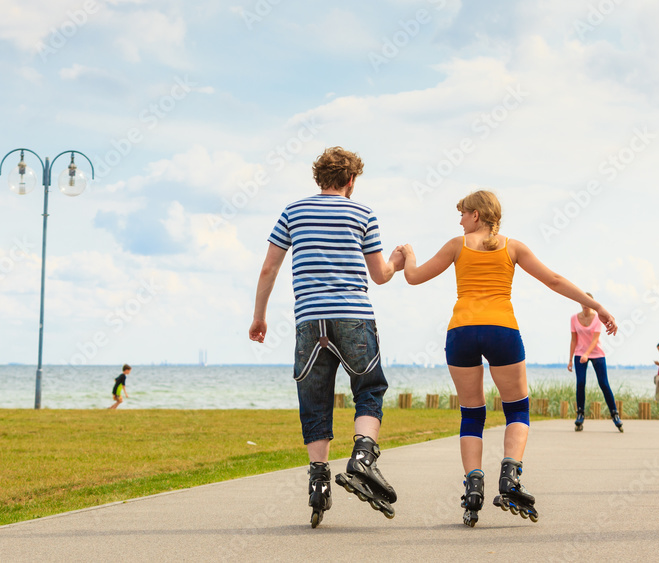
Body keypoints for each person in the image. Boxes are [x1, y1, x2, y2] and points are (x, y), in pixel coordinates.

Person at [398, 189, 617, 527]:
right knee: (517, 409)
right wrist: (597, 306)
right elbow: (554, 280)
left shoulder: (456, 245)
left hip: (461, 332)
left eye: (462, 213)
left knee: (472, 414)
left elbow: (413, 277)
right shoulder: (513, 247)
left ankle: (473, 488)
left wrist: (409, 255)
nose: (459, 220)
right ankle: (510, 477)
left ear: (476, 215)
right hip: (501, 330)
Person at [249, 146, 404, 528]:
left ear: (319, 177)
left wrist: (259, 317)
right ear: (351, 179)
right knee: (369, 389)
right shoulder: (363, 213)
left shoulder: (292, 212)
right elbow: (380, 275)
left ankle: (318, 483)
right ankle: (363, 458)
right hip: (354, 318)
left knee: (314, 401)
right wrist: (398, 261)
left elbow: (269, 268)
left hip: (309, 321)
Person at [568, 293, 622, 432]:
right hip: (580, 354)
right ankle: (580, 414)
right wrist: (570, 359)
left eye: (587, 301)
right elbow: (573, 340)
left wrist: (587, 354)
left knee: (603, 383)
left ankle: (615, 414)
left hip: (596, 353)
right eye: (582, 301)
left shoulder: (598, 318)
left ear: (592, 302)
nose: (585, 304)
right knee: (580, 383)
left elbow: (595, 339)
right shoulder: (574, 318)